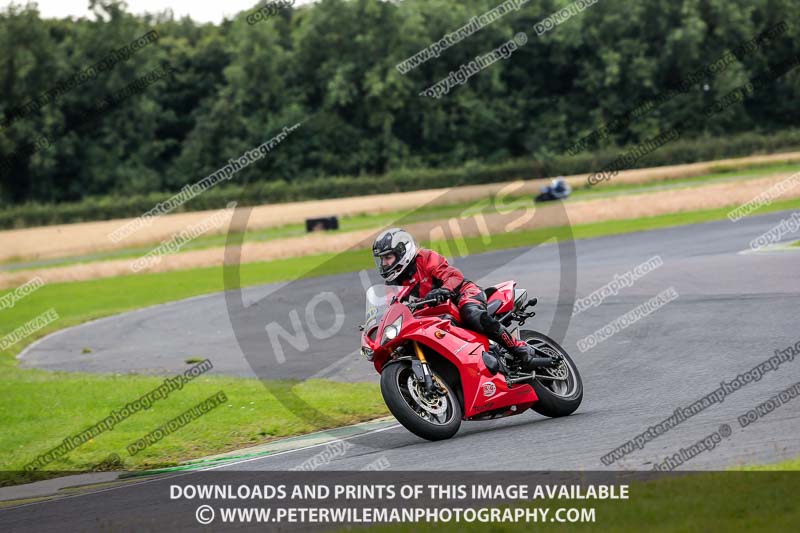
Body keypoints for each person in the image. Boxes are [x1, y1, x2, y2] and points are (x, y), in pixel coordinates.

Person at [372, 227, 540, 368]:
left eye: (388, 257)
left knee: (471, 313)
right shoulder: (393, 283)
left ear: (403, 252)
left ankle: (519, 348)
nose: (385, 263)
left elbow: (453, 276)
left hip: (462, 294)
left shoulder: (425, 258)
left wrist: (443, 290)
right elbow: (392, 308)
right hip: (434, 313)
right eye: (382, 259)